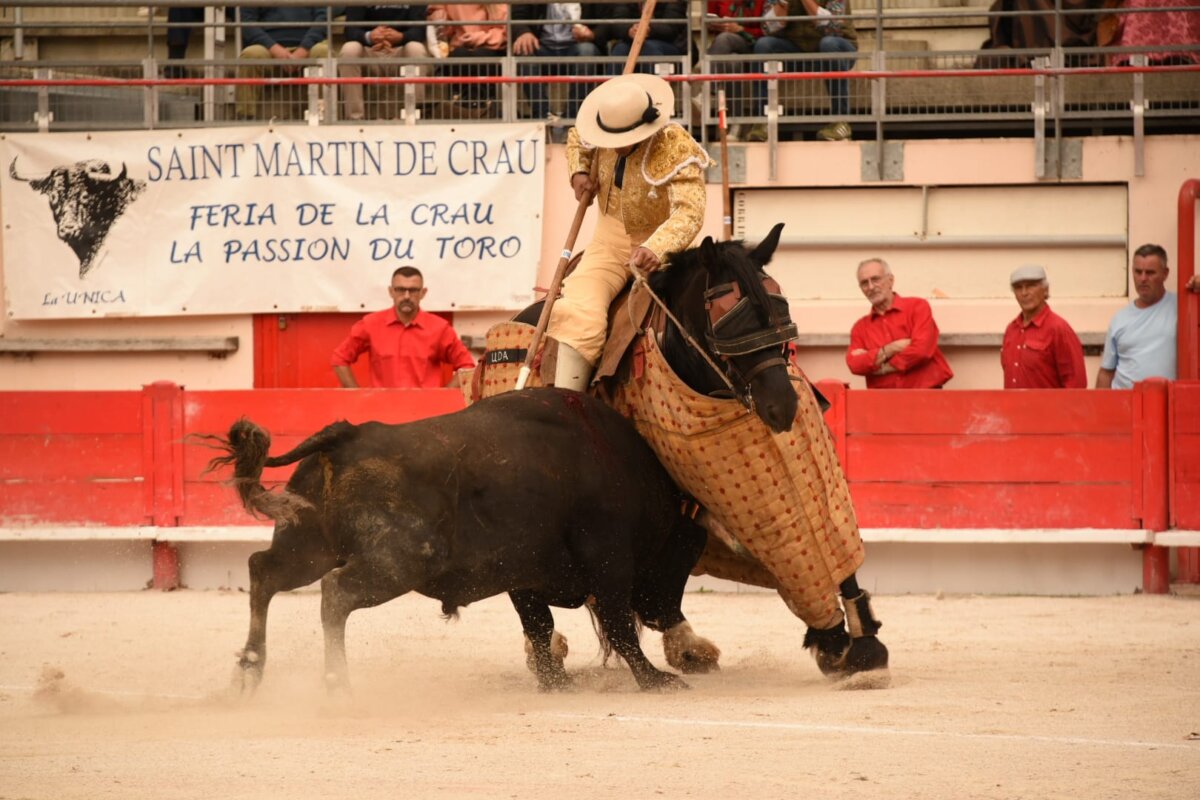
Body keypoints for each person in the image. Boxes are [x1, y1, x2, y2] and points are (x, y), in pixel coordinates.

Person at [548, 72, 711, 389]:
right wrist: (579, 172)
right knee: (579, 308)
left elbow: (690, 210)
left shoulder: (675, 146)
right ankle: (568, 401)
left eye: (622, 140)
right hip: (607, 242)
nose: (614, 147)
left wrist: (657, 247)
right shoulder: (603, 126)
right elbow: (576, 139)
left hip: (660, 247)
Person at [331, 266, 475, 388]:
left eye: (413, 290)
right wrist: (358, 397)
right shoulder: (371, 324)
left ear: (423, 293)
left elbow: (467, 367)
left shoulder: (439, 329)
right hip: (382, 414)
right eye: (400, 289)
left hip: (426, 417)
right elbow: (340, 358)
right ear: (391, 291)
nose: (406, 296)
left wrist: (443, 398)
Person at [749, 0, 858, 142]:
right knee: (764, 45)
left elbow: (832, 27)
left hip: (838, 47)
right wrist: (783, 4)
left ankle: (841, 121)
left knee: (828, 43)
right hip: (797, 48)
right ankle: (763, 122)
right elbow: (767, 29)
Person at [846, 258, 954, 389]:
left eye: (876, 279)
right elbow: (854, 364)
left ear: (890, 280)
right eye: (864, 283)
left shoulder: (917, 307)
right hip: (884, 402)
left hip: (925, 396)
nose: (871, 287)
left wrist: (882, 367)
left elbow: (922, 350)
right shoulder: (860, 328)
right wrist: (890, 349)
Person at [1096, 244, 1188, 389]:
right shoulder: (1119, 319)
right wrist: (1099, 410)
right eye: (1138, 272)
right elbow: (1106, 372)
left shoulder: (1182, 308)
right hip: (1125, 405)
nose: (1143, 278)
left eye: (1150, 273)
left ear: (1165, 273)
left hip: (1168, 405)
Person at [511, 3, 609, 124]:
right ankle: (542, 118)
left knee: (587, 51)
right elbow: (516, 15)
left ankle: (574, 119)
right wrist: (523, 32)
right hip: (542, 47)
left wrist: (593, 34)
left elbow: (609, 21)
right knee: (525, 52)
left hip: (577, 47)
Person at [338, 5, 430, 121]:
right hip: (369, 51)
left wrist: (401, 37)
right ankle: (355, 118)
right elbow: (350, 30)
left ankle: (412, 116)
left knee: (416, 48)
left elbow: (419, 31)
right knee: (349, 49)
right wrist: (369, 36)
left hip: (400, 51)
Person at [1000, 264, 1086, 389]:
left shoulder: (1058, 328)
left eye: (1031, 286)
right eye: (1018, 288)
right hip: (1013, 408)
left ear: (1045, 290)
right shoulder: (1011, 330)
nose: (1024, 293)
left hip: (1048, 408)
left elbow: (1076, 385)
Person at [236, 6, 330, 119]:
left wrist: (304, 49)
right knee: (250, 55)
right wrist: (275, 49)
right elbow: (247, 21)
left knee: (323, 52)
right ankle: (246, 118)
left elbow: (324, 18)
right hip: (267, 47)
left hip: (309, 46)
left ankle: (324, 115)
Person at [427, 3, 509, 112]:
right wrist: (440, 18)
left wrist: (477, 38)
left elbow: (504, 32)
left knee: (482, 56)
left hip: (491, 47)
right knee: (459, 55)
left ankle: (480, 101)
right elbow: (443, 27)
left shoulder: (498, 6)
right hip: (459, 46)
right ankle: (466, 100)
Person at [705, 0, 766, 139]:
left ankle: (707, 87)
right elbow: (708, 22)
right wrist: (717, 25)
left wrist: (739, 29)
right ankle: (735, 125)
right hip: (724, 51)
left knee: (725, 38)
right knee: (733, 62)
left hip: (753, 46)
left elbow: (767, 30)